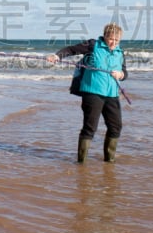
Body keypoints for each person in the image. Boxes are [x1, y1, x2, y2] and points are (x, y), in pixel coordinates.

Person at [47, 23, 128, 163]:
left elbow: (125, 73)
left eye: (117, 40)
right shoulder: (93, 45)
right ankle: (81, 162)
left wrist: (120, 74)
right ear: (105, 36)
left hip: (112, 94)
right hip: (92, 92)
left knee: (116, 127)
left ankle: (109, 161)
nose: (113, 43)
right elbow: (72, 50)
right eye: (111, 39)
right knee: (90, 128)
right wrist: (57, 56)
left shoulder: (120, 52)